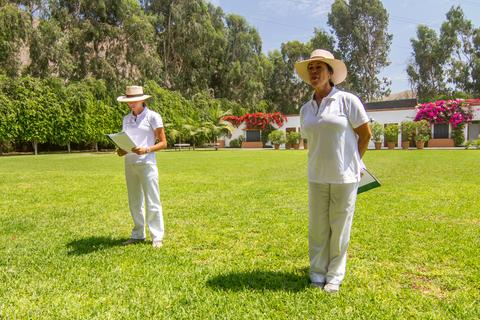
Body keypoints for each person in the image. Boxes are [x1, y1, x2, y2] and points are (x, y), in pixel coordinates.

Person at [295, 49, 372, 293]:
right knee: (317, 228)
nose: (314, 72)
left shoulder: (347, 101)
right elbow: (311, 140)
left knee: (339, 229)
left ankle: (334, 276)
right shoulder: (306, 109)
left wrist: (355, 162)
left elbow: (365, 134)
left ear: (331, 73)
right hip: (316, 176)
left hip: (344, 178)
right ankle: (317, 272)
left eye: (319, 67)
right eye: (311, 68)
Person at [116, 85, 167, 248]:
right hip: (129, 163)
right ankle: (138, 234)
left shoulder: (153, 117)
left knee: (152, 200)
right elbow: (127, 141)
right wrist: (121, 150)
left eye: (134, 101)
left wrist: (147, 149)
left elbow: (164, 143)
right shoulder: (126, 119)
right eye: (128, 101)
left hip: (147, 163)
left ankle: (157, 236)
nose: (131, 104)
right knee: (134, 201)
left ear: (142, 100)